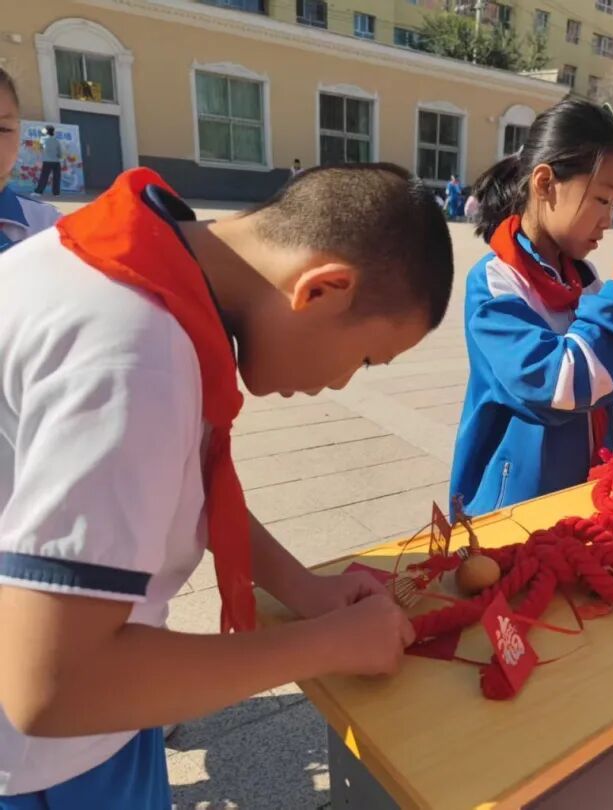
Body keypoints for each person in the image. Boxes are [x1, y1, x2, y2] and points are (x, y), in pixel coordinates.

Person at [0, 162, 454, 805]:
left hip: (113, 699)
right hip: (49, 762)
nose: (341, 382)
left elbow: (186, 478)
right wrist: (324, 645)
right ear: (322, 290)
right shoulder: (134, 357)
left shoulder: (147, 258)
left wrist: (304, 589)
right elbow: (54, 688)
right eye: (364, 358)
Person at [448, 98, 613, 517]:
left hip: (580, 495)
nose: (609, 220)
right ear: (544, 184)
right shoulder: (496, 283)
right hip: (512, 508)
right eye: (601, 200)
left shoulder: (582, 279)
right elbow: (560, 387)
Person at [0, 69, 61, 253]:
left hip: (50, 162)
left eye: (2, 129)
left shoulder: (49, 227)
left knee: (48, 177)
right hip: (53, 161)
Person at [33, 124, 63, 198]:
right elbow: (60, 153)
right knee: (56, 177)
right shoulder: (56, 140)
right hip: (56, 162)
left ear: (46, 131)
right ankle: (56, 193)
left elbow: (40, 149)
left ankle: (38, 192)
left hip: (47, 161)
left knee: (44, 177)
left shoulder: (42, 139)